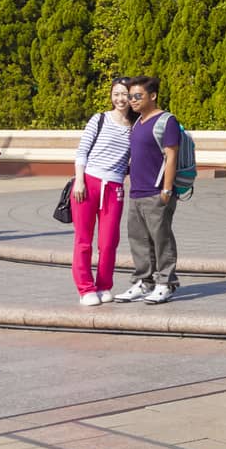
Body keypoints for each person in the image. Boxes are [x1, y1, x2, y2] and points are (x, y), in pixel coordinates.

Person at [113, 77, 182, 305]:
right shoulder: (138, 122)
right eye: (131, 96)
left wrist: (167, 189)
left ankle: (166, 283)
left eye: (137, 96)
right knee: (139, 240)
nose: (132, 100)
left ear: (152, 96)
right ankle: (144, 281)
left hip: (156, 192)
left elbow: (171, 156)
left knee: (161, 239)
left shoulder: (166, 121)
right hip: (137, 191)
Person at [71, 78, 134, 306]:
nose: (120, 99)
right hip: (88, 183)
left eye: (125, 94)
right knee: (84, 240)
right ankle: (85, 288)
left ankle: (104, 285)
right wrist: (80, 181)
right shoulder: (99, 119)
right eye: (116, 93)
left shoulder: (135, 127)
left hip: (114, 187)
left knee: (109, 241)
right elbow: (82, 152)